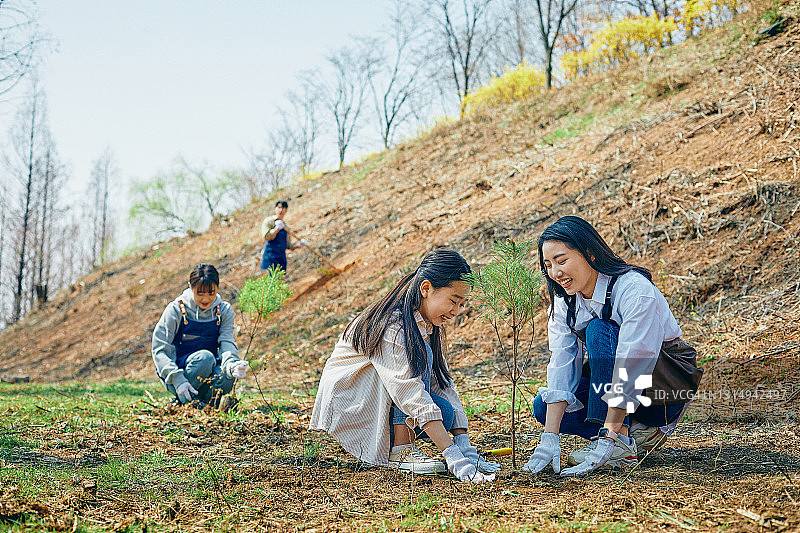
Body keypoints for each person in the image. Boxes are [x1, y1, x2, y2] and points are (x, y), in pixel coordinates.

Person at [523, 216, 702, 477]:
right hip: (618, 390)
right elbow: (561, 363)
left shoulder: (634, 290)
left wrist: (609, 439)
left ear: (591, 254)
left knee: (599, 330)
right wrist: (549, 437)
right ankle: (637, 434)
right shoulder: (565, 302)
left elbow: (634, 361)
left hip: (662, 385)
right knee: (544, 407)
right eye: (548, 265)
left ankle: (620, 440)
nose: (555, 272)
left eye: (562, 261)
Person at [310, 249, 499, 482]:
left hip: (379, 396)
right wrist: (453, 457)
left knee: (445, 412)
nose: (456, 312)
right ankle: (402, 450)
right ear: (426, 289)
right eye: (453, 301)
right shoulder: (394, 324)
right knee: (418, 356)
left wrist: (463, 445)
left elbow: (442, 382)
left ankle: (402, 442)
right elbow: (408, 389)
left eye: (462, 304)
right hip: (351, 401)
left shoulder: (427, 324)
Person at [152, 263, 249, 409]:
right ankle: (185, 397)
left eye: (211, 293)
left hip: (209, 373)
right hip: (179, 376)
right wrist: (178, 379)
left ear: (218, 287)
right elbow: (160, 348)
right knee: (205, 358)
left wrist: (231, 365)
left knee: (228, 375)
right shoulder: (176, 309)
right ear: (191, 287)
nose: (206, 299)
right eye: (200, 293)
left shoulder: (223, 310)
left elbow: (226, 341)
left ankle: (197, 404)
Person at [260, 200, 307, 273]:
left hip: (281, 258)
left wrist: (299, 245)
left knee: (280, 281)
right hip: (270, 256)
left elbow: (288, 246)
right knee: (271, 280)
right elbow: (266, 237)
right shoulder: (269, 221)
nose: (281, 210)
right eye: (279, 208)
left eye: (283, 208)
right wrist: (277, 228)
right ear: (275, 209)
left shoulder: (286, 227)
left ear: (286, 211)